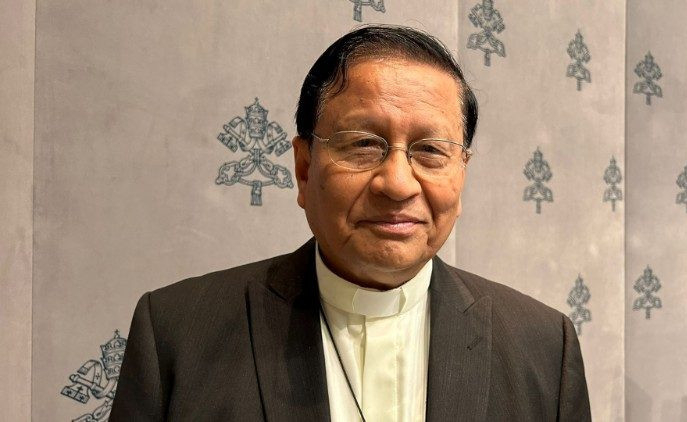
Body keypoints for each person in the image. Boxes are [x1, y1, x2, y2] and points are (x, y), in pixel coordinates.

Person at [111, 25, 591, 421]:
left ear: (461, 174)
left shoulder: (543, 348)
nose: (397, 184)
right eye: (363, 144)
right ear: (304, 169)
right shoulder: (177, 334)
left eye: (430, 150)